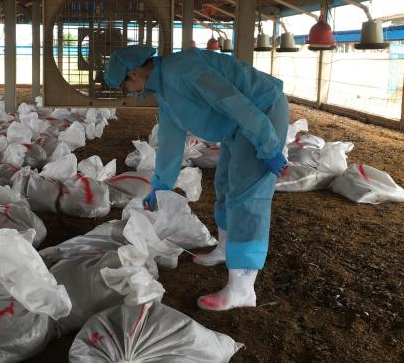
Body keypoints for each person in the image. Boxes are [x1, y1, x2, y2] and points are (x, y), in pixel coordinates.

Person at [104, 44, 288, 311]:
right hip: (237, 125)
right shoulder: (164, 84)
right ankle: (226, 249)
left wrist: (268, 145)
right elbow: (170, 135)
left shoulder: (183, 70)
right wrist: (160, 185)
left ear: (133, 75)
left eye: (125, 87)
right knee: (224, 184)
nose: (129, 93)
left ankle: (242, 287)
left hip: (260, 113)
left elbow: (233, 102)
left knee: (248, 195)